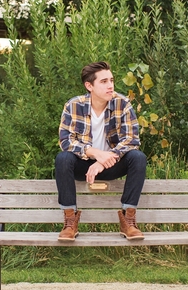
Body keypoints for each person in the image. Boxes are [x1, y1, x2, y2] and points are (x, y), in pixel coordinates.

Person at [55, 61, 147, 241]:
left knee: (138, 157)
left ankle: (128, 221)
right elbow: (65, 141)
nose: (110, 85)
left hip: (112, 164)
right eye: (104, 81)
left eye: (111, 80)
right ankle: (69, 222)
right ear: (89, 86)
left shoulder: (123, 103)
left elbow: (131, 140)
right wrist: (95, 154)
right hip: (83, 165)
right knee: (63, 158)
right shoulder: (73, 105)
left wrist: (102, 161)